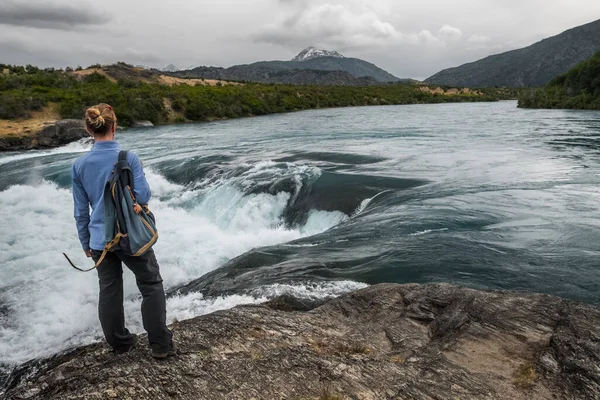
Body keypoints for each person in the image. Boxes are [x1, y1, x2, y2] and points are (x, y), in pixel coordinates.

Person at [71, 103, 175, 359]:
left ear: (88, 129)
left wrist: (85, 241)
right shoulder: (129, 158)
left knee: (109, 288)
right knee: (150, 284)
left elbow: (80, 211)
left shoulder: (79, 164)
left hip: (99, 240)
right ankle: (161, 345)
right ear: (114, 127)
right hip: (130, 234)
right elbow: (143, 195)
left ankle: (120, 343)